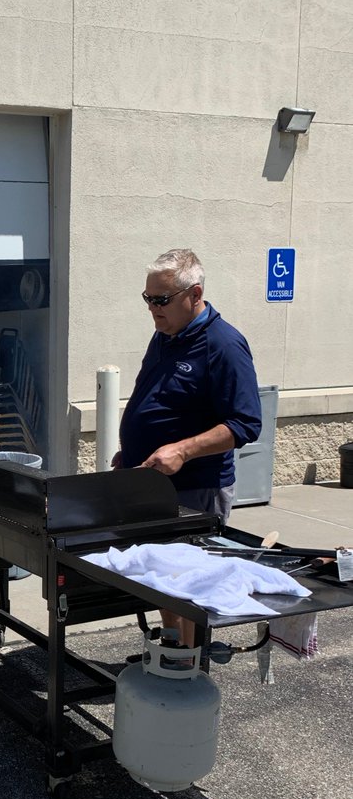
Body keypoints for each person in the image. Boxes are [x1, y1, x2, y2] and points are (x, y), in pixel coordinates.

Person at [115, 247, 262, 646]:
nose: (153, 308)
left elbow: (246, 424)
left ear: (194, 295)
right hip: (152, 482)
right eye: (148, 299)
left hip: (197, 489)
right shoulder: (165, 335)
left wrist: (182, 450)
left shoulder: (224, 345)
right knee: (163, 577)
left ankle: (191, 669)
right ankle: (172, 652)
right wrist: (129, 452)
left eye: (162, 300)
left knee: (191, 587)